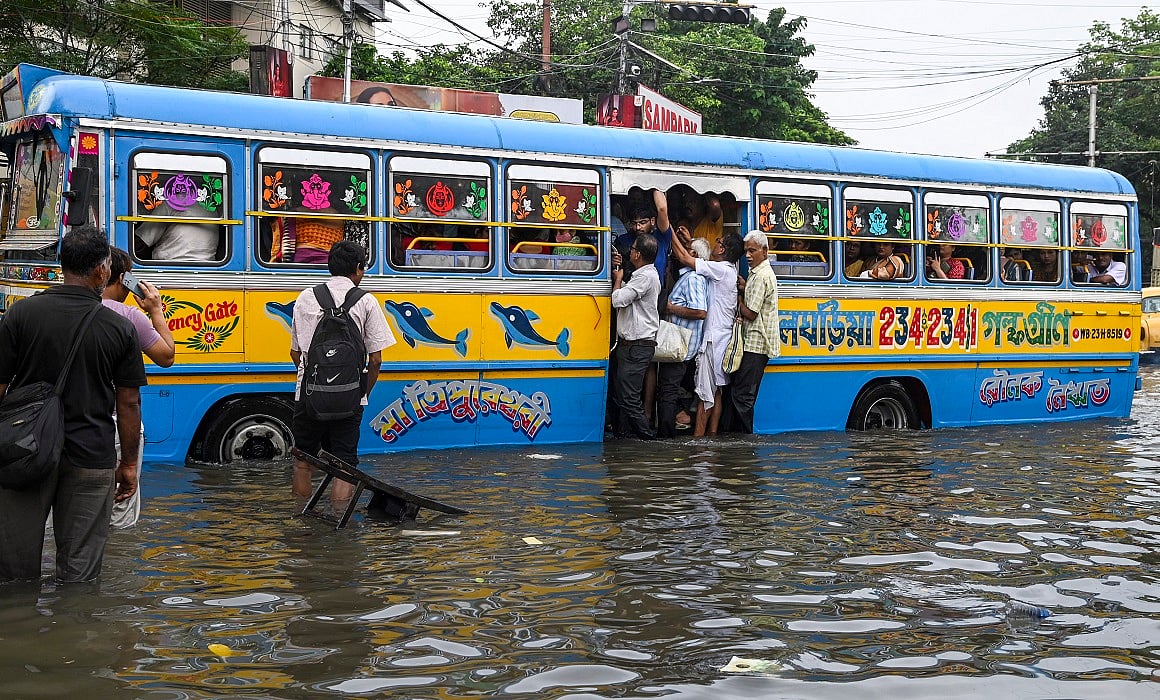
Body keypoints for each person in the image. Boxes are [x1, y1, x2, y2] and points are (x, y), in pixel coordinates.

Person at [0, 226, 146, 583]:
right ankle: (77, 633)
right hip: (91, 457)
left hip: (24, 453)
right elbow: (128, 404)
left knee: (13, 576)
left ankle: (21, 633)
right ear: (102, 270)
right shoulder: (119, 328)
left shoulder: (21, 315)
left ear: (61, 265)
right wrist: (128, 465)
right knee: (80, 578)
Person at [290, 241, 395, 501]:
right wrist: (361, 393)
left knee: (303, 460)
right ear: (358, 269)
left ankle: (299, 521)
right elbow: (376, 360)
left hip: (309, 395)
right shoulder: (366, 301)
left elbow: (295, 352)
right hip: (350, 396)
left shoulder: (305, 297)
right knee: (344, 467)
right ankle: (338, 530)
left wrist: (312, 383)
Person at [101, 247, 176, 528]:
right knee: (118, 512)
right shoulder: (130, 316)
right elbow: (167, 356)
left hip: (68, 427)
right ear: (122, 278)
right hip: (117, 430)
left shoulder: (61, 309)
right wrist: (155, 310)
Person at [671, 230, 744, 436]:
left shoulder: (720, 269)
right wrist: (689, 241)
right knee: (717, 392)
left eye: (718, 242)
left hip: (713, 341)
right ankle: (711, 437)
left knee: (706, 395)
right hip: (722, 338)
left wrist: (668, 230)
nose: (715, 244)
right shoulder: (728, 269)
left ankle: (699, 442)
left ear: (721, 249)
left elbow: (686, 258)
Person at [656, 236, 710, 438]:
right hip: (680, 345)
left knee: (668, 392)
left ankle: (666, 436)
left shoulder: (694, 279)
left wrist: (671, 308)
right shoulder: (688, 277)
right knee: (670, 391)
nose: (682, 252)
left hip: (680, 346)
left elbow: (700, 311)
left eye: (687, 248)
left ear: (694, 255)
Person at [611, 234, 661, 440]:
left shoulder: (645, 277)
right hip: (633, 345)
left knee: (629, 398)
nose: (629, 251)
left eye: (631, 248)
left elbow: (618, 300)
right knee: (622, 395)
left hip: (637, 345)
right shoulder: (645, 274)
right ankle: (624, 435)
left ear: (637, 254)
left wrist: (618, 280)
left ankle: (648, 440)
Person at [732, 231, 780, 434]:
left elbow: (750, 313)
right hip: (755, 342)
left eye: (752, 251)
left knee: (742, 397)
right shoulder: (758, 273)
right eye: (746, 252)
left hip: (756, 343)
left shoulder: (760, 276)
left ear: (765, 251)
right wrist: (745, 287)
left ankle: (744, 442)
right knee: (742, 394)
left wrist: (737, 299)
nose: (748, 256)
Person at [135, 221, 219, 261]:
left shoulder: (171, 204)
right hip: (207, 264)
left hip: (168, 265)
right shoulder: (211, 208)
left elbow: (140, 243)